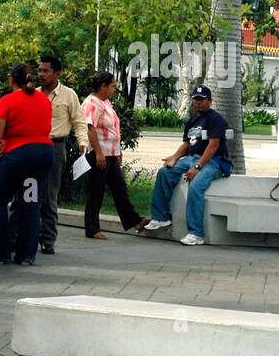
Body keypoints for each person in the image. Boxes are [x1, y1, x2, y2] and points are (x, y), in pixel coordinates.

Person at [0, 64, 54, 265]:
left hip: (20, 154)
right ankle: (27, 255)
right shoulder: (43, 99)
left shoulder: (7, 101)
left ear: (12, 80)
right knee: (31, 200)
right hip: (44, 153)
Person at [143, 84, 232, 245]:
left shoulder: (216, 119)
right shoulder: (192, 120)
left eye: (202, 100)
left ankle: (196, 233)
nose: (198, 103)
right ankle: (161, 218)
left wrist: (197, 168)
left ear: (210, 101)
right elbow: (186, 145)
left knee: (196, 185)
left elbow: (214, 146)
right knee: (165, 172)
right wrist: (174, 157)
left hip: (215, 161)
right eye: (195, 100)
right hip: (193, 157)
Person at [82, 71, 149, 239]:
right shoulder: (92, 103)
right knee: (96, 191)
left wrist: (117, 152)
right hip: (98, 154)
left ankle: (134, 220)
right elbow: (90, 129)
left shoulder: (106, 103)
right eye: (112, 86)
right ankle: (92, 228)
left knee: (119, 187)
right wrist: (98, 153)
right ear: (103, 86)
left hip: (110, 154)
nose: (114, 90)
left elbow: (113, 129)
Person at [35, 54, 89, 255]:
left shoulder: (68, 95)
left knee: (49, 195)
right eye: (40, 70)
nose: (41, 74)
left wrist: (82, 143)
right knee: (30, 194)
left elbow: (79, 121)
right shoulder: (34, 94)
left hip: (56, 148)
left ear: (57, 73)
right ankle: (29, 237)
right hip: (33, 147)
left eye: (45, 71)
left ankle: (48, 240)